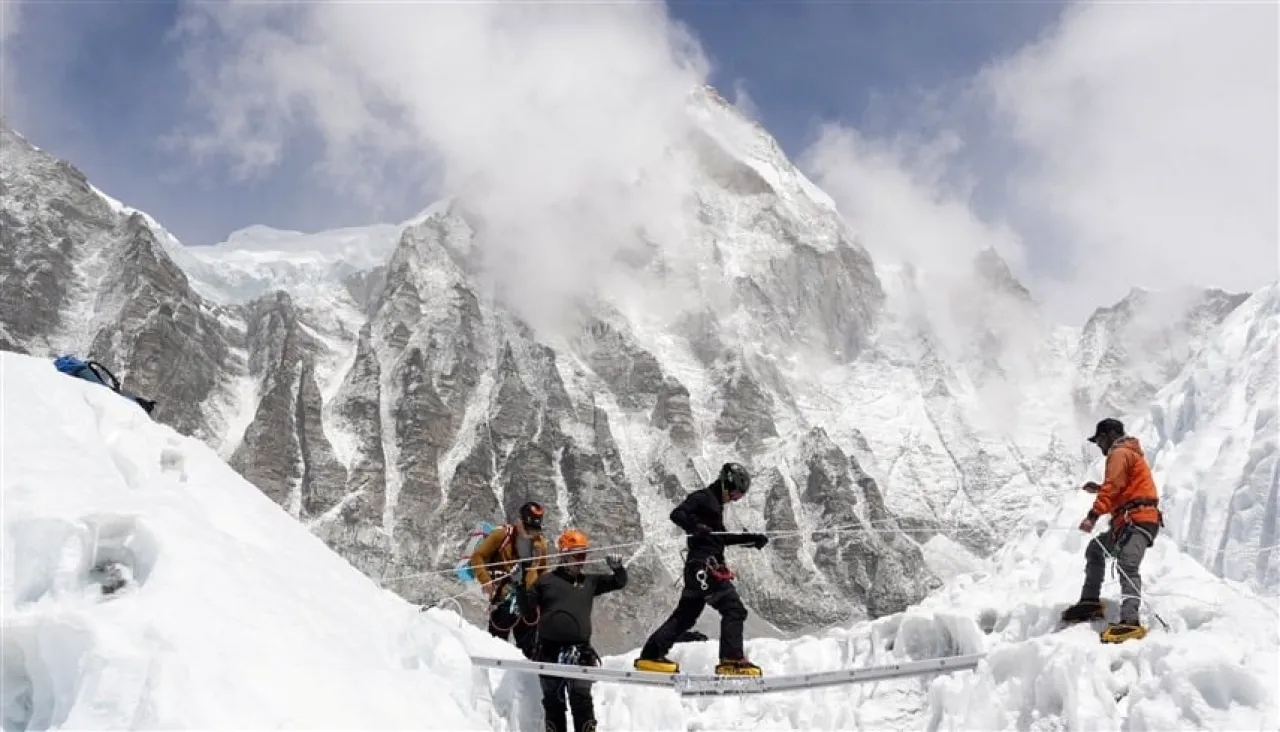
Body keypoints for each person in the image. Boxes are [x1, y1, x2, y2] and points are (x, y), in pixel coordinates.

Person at [633, 462, 768, 676]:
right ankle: (732, 658)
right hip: (706, 568)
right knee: (734, 610)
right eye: (735, 494)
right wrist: (695, 527)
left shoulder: (715, 505)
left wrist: (751, 539)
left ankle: (651, 654)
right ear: (726, 484)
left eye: (739, 496)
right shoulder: (703, 498)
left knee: (685, 617)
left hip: (697, 570)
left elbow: (720, 538)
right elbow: (677, 514)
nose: (735, 499)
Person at [1061, 418, 1163, 643]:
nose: (1098, 445)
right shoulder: (1127, 453)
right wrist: (1099, 489)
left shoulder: (1119, 453)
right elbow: (1121, 489)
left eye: (1099, 440)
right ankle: (1090, 602)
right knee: (1095, 550)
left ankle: (1130, 621)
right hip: (1131, 521)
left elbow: (1113, 487)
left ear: (1109, 435)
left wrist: (1092, 516)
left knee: (1127, 563)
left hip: (1138, 520)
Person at [519, 529, 627, 732]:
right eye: (577, 555)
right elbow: (526, 610)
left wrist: (618, 569)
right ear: (564, 555)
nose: (581, 561)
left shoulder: (590, 582)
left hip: (580, 652)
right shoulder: (545, 582)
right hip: (549, 651)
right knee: (553, 702)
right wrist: (520, 586)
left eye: (583, 555)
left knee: (581, 701)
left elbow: (618, 582)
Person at [469, 501, 550, 657]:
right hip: (504, 596)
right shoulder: (501, 535)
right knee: (497, 642)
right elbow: (478, 557)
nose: (531, 533)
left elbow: (542, 570)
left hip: (529, 599)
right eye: (528, 528)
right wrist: (485, 580)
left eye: (534, 529)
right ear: (520, 521)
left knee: (529, 648)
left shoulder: (540, 544)